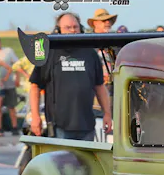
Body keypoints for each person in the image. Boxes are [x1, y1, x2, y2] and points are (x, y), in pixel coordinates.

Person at [29, 12, 112, 140]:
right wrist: (35, 117)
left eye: (75, 27)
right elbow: (35, 87)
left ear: (81, 28)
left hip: (86, 126)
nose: (73, 30)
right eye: (68, 27)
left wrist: (107, 113)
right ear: (58, 30)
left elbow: (99, 86)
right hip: (59, 127)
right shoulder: (49, 53)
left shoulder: (90, 53)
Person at [0, 35, 20, 135]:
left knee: (11, 106)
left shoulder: (8, 51)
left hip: (9, 84)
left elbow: (16, 65)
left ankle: (14, 127)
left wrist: (17, 78)